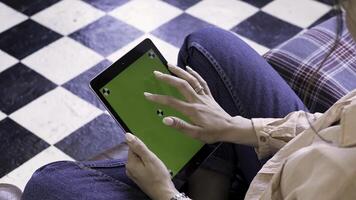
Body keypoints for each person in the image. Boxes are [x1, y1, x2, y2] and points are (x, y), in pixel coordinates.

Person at [21, 0, 356, 199]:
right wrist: (237, 127)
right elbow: (333, 124)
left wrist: (166, 194)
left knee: (49, 183)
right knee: (208, 45)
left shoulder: (343, 178)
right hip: (289, 167)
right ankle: (209, 184)